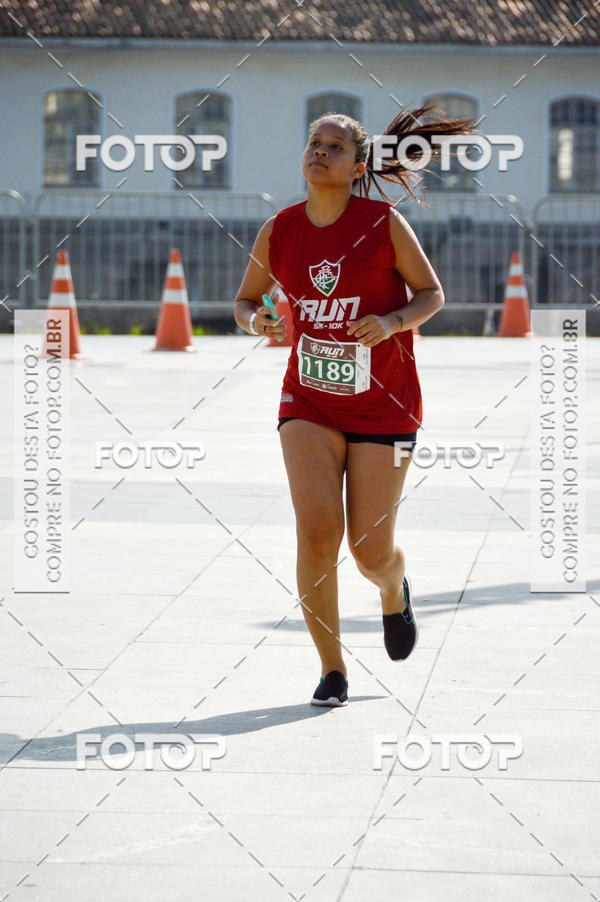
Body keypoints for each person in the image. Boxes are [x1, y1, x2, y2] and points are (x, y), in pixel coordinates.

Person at [233, 103, 478, 707]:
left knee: (369, 551)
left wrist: (392, 321)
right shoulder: (280, 229)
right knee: (317, 534)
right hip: (307, 401)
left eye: (335, 146)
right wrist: (256, 321)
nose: (320, 150)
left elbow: (432, 294)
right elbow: (244, 303)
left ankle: (393, 588)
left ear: (358, 164)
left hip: (385, 407)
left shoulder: (383, 223)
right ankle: (332, 668)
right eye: (314, 141)